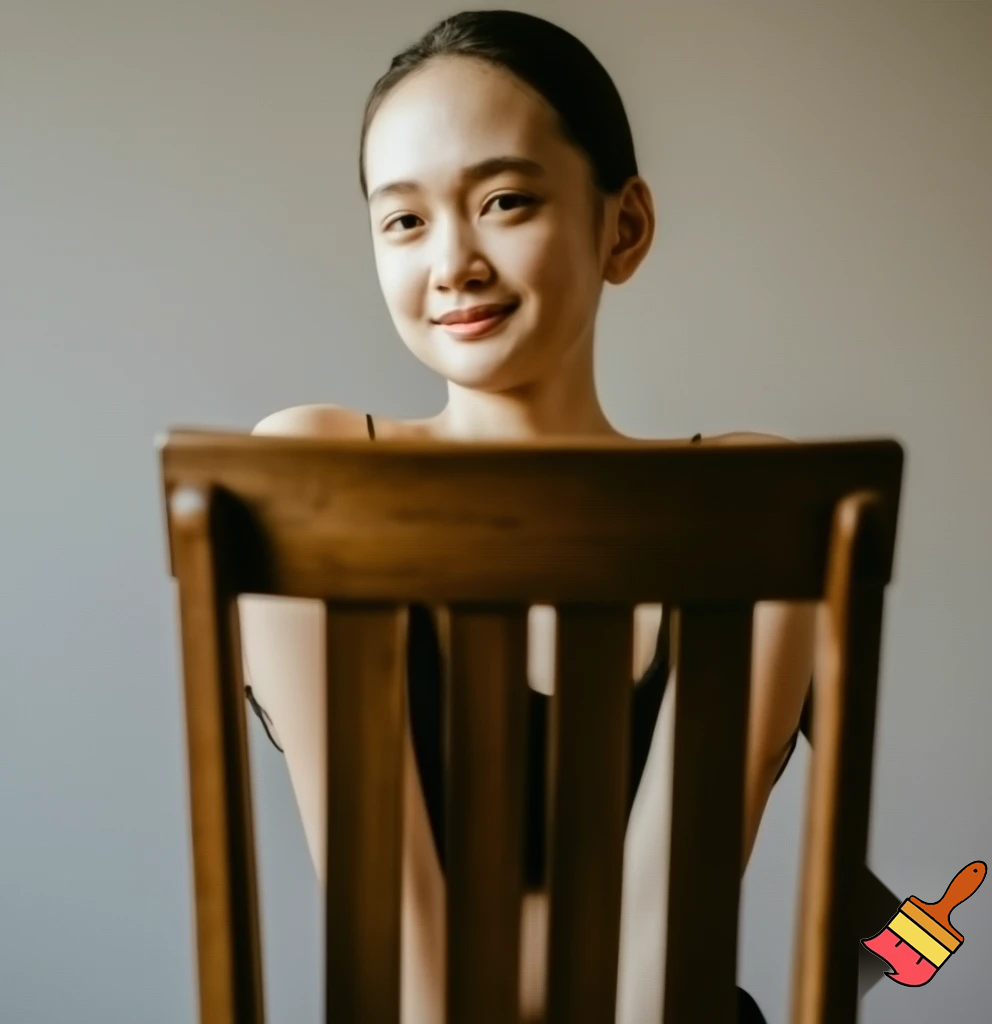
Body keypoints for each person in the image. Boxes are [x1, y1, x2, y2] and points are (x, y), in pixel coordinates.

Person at [238, 11, 816, 1023]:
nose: (452, 262)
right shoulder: (311, 469)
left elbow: (661, 949)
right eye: (404, 221)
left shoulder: (751, 494)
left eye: (504, 201)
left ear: (623, 227)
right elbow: (402, 941)